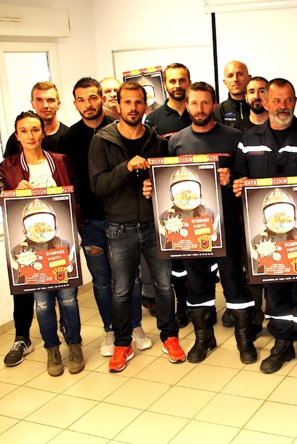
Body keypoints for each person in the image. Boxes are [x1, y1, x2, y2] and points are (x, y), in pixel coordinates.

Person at [233, 78, 297, 379]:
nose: (282, 106)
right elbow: (238, 178)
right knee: (274, 293)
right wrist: (238, 185)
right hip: (267, 240)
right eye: (276, 100)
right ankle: (283, 343)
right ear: (265, 102)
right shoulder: (248, 140)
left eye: (288, 100)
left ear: (295, 102)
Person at [89, 81, 185, 372]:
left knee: (164, 286)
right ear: (118, 105)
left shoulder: (158, 142)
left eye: (138, 102)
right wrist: (126, 167)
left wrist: (155, 187)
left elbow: (171, 182)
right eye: (127, 102)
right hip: (120, 228)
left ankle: (170, 337)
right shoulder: (102, 141)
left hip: (156, 226)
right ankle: (122, 343)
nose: (133, 108)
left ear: (146, 105)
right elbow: (98, 185)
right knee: (121, 290)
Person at [59, 77, 152, 357]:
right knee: (102, 281)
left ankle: (135, 326)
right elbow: (65, 181)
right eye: (81, 99)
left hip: (123, 219)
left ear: (102, 98)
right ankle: (110, 330)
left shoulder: (119, 129)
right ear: (75, 104)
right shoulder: (68, 139)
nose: (88, 104)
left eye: (92, 97)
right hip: (92, 221)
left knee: (130, 279)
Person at [167, 81, 257, 365]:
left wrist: (232, 177)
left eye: (205, 102)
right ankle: (204, 337)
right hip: (191, 228)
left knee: (233, 281)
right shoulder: (176, 141)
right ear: (187, 105)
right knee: (196, 284)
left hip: (227, 222)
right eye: (194, 103)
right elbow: (168, 181)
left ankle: (244, 339)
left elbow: (246, 177)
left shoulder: (234, 137)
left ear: (214, 105)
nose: (200, 108)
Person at [0, 111, 84, 377]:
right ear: (17, 135)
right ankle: (52, 349)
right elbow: (3, 201)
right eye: (24, 131)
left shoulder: (60, 161)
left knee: (68, 298)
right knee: (43, 302)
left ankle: (75, 345)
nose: (30, 135)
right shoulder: (8, 166)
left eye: (35, 130)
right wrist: (13, 194)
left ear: (43, 133)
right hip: (32, 250)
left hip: (61, 243)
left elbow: (75, 195)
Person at [144, 63, 193, 328]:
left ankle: (201, 306)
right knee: (177, 263)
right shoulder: (153, 119)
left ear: (189, 82)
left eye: (182, 80)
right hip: (170, 202)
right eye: (172, 81)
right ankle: (182, 306)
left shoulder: (199, 111)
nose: (177, 85)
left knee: (202, 259)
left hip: (200, 199)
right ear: (165, 84)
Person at [3, 82, 69, 157]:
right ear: (32, 104)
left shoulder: (69, 137)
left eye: (50, 100)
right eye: (39, 100)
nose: (45, 105)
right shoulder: (18, 139)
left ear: (58, 104)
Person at [215, 60, 251, 129]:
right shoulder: (217, 111)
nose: (235, 79)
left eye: (240, 74)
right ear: (225, 82)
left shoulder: (259, 108)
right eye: (230, 76)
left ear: (249, 78)